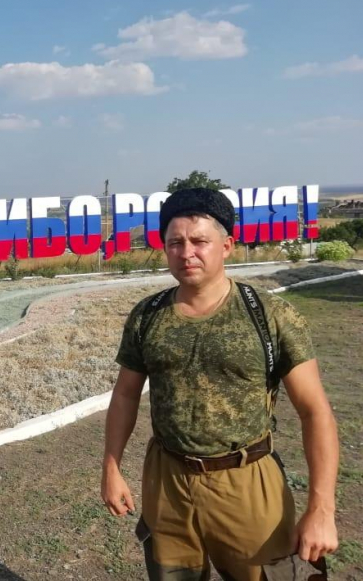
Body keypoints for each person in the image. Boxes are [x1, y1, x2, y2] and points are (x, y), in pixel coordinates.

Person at [100, 188, 339, 580]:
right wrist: (111, 467)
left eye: (199, 241)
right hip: (167, 481)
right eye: (175, 243)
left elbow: (315, 411)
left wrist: (322, 509)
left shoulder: (269, 315)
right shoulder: (148, 315)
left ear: (227, 246)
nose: (187, 253)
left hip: (246, 481)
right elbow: (125, 394)